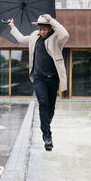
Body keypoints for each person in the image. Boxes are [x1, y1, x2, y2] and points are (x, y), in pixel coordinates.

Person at [8, 14, 69, 151]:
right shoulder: (35, 37)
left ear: (50, 28)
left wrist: (52, 21)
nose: (41, 32)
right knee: (43, 103)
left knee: (51, 109)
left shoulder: (57, 39)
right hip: (38, 78)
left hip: (53, 78)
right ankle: (47, 137)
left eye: (44, 29)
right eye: (40, 29)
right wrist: (12, 26)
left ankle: (45, 125)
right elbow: (22, 39)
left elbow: (65, 34)